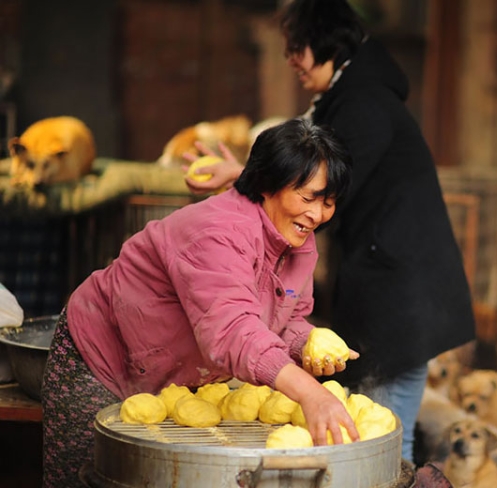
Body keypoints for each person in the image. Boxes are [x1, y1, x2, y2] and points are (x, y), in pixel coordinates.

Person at [186, 0, 477, 463]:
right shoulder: (353, 97)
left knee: (380, 442)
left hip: (400, 299)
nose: (291, 60)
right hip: (396, 289)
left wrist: (249, 180)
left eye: (296, 47)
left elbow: (322, 192)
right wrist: (245, 174)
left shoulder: (363, 104)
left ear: (324, 43)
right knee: (376, 434)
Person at [41, 118, 357, 488]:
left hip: (169, 375)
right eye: (307, 199)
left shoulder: (298, 241)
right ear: (267, 185)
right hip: (99, 358)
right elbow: (232, 331)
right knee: (86, 478)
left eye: (328, 202)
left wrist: (310, 346)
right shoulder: (218, 233)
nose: (317, 215)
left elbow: (288, 319)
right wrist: (310, 394)